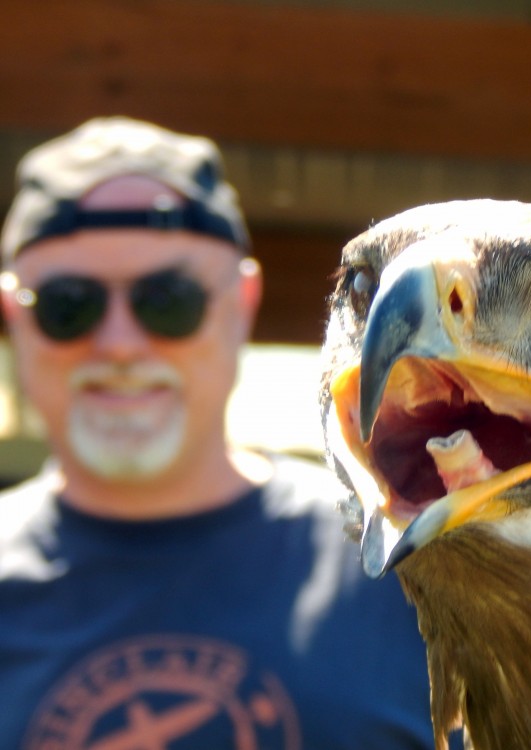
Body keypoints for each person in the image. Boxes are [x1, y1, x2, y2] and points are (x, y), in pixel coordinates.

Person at [0, 117, 457, 749]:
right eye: (68, 305)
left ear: (241, 303)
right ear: (12, 319)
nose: (120, 346)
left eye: (169, 300)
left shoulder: (404, 560)